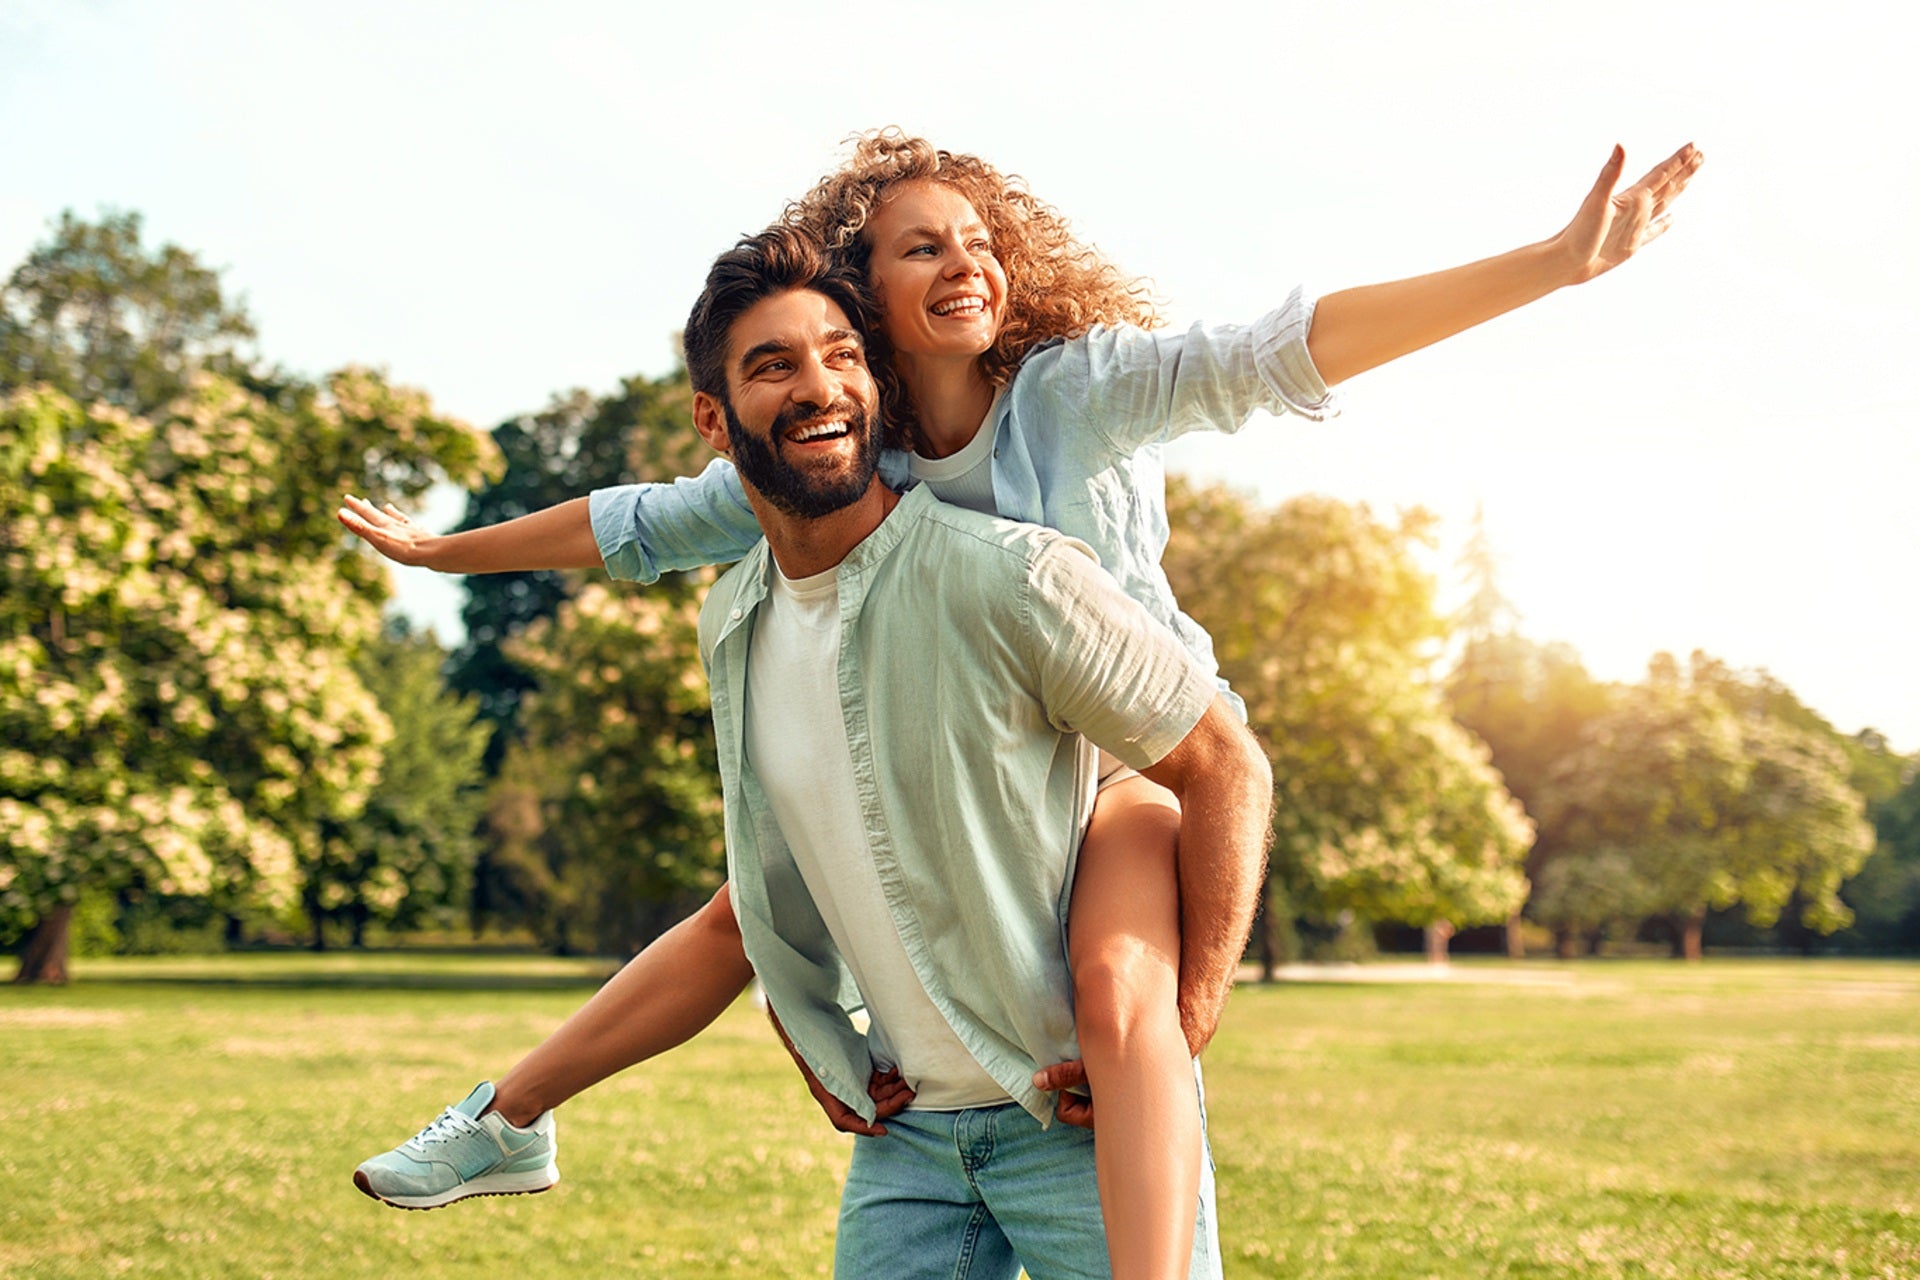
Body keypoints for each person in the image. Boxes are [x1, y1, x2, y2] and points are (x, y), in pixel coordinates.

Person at [345, 131, 1702, 1276]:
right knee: (748, 909)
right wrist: (444, 553)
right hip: (978, 775)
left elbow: (1284, 351)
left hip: (1127, 767)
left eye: (980, 240)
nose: (966, 263)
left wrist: (1551, 263)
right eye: (921, 246)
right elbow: (641, 521)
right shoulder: (848, 440)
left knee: (1118, 991)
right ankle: (510, 1113)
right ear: (865, 290)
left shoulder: (1076, 390)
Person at [370, 225, 1276, 1277]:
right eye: (774, 365)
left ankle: (510, 1113)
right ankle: (509, 1115)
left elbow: (1224, 763)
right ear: (713, 420)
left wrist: (1187, 1014)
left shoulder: (1017, 576)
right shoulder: (735, 623)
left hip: (1073, 1117)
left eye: (842, 354)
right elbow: (770, 890)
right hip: (909, 1140)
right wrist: (814, 1031)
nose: (817, 386)